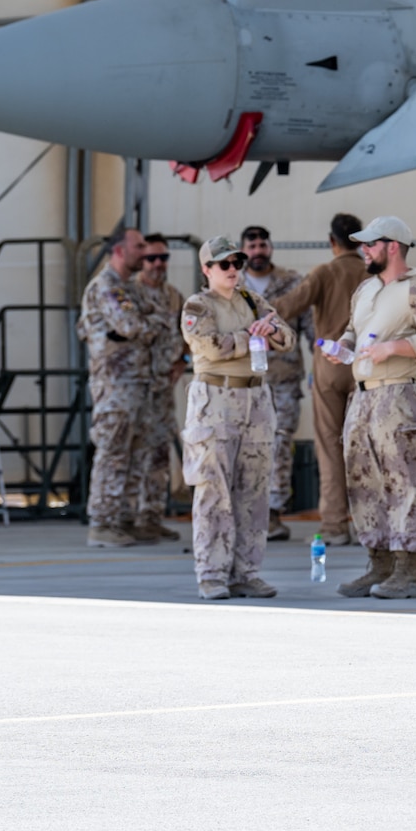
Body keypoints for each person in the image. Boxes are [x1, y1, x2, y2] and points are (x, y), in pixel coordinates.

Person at [331, 217, 416, 600]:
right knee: (365, 484)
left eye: (370, 244)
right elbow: (355, 331)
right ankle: (379, 565)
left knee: (407, 483)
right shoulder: (366, 289)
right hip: (364, 396)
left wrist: (395, 348)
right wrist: (343, 346)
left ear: (392, 246)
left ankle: (408, 572)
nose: (364, 250)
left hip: (400, 397)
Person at [179, 236, 295, 600]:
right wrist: (250, 336)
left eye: (237, 263)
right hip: (216, 398)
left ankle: (246, 571)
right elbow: (208, 346)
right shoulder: (198, 305)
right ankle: (212, 574)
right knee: (214, 489)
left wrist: (272, 330)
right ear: (206, 269)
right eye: (224, 264)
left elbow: (287, 337)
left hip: (255, 398)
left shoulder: (250, 299)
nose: (233, 270)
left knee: (254, 489)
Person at [274, 213, 364, 543]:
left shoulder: (325, 272)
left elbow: (289, 305)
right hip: (366, 365)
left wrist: (250, 312)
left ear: (332, 242)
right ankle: (371, 523)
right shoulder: (372, 273)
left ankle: (335, 525)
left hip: (329, 367)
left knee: (329, 447)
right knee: (365, 448)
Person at [77, 228, 152, 548]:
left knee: (132, 453)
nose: (145, 253)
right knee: (112, 453)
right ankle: (102, 522)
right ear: (120, 250)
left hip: (133, 383)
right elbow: (131, 325)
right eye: (139, 247)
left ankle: (121, 518)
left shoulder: (127, 288)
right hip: (115, 386)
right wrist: (155, 324)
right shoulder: (107, 286)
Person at [240, 225, 309, 543]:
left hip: (283, 379)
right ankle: (246, 512)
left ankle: (274, 512)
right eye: (251, 246)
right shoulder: (232, 283)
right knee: (245, 446)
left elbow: (310, 327)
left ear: (271, 248)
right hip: (244, 381)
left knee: (279, 444)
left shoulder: (291, 282)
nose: (257, 251)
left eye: (262, 245)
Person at [131, 235, 186, 543]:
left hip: (163, 388)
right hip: (134, 388)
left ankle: (151, 515)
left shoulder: (174, 297)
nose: (158, 264)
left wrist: (184, 361)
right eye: (152, 258)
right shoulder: (130, 293)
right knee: (132, 452)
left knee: (160, 453)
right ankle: (126, 516)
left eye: (163, 257)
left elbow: (190, 335)